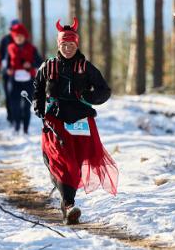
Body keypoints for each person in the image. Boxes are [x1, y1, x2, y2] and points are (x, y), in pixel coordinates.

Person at [33, 18, 118, 225]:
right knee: (61, 161)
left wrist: (88, 98)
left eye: (71, 45)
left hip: (81, 122)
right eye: (64, 45)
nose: (67, 48)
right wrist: (39, 107)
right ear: (58, 45)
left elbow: (104, 91)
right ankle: (69, 204)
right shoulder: (48, 66)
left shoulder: (86, 67)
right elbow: (38, 88)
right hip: (55, 121)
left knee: (75, 164)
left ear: (76, 45)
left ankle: (67, 203)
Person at [7, 23, 43, 134]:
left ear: (24, 37)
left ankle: (25, 128)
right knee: (15, 105)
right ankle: (17, 125)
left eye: (21, 36)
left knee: (27, 105)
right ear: (14, 37)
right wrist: (8, 69)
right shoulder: (10, 48)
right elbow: (6, 62)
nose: (19, 38)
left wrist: (31, 64)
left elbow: (39, 62)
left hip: (28, 81)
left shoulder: (32, 48)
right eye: (16, 36)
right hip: (14, 81)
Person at [0, 19, 20, 124]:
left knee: (19, 95)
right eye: (13, 28)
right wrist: (4, 66)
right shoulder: (5, 39)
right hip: (6, 72)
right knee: (8, 94)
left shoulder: (21, 39)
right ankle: (10, 116)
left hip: (19, 73)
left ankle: (18, 116)